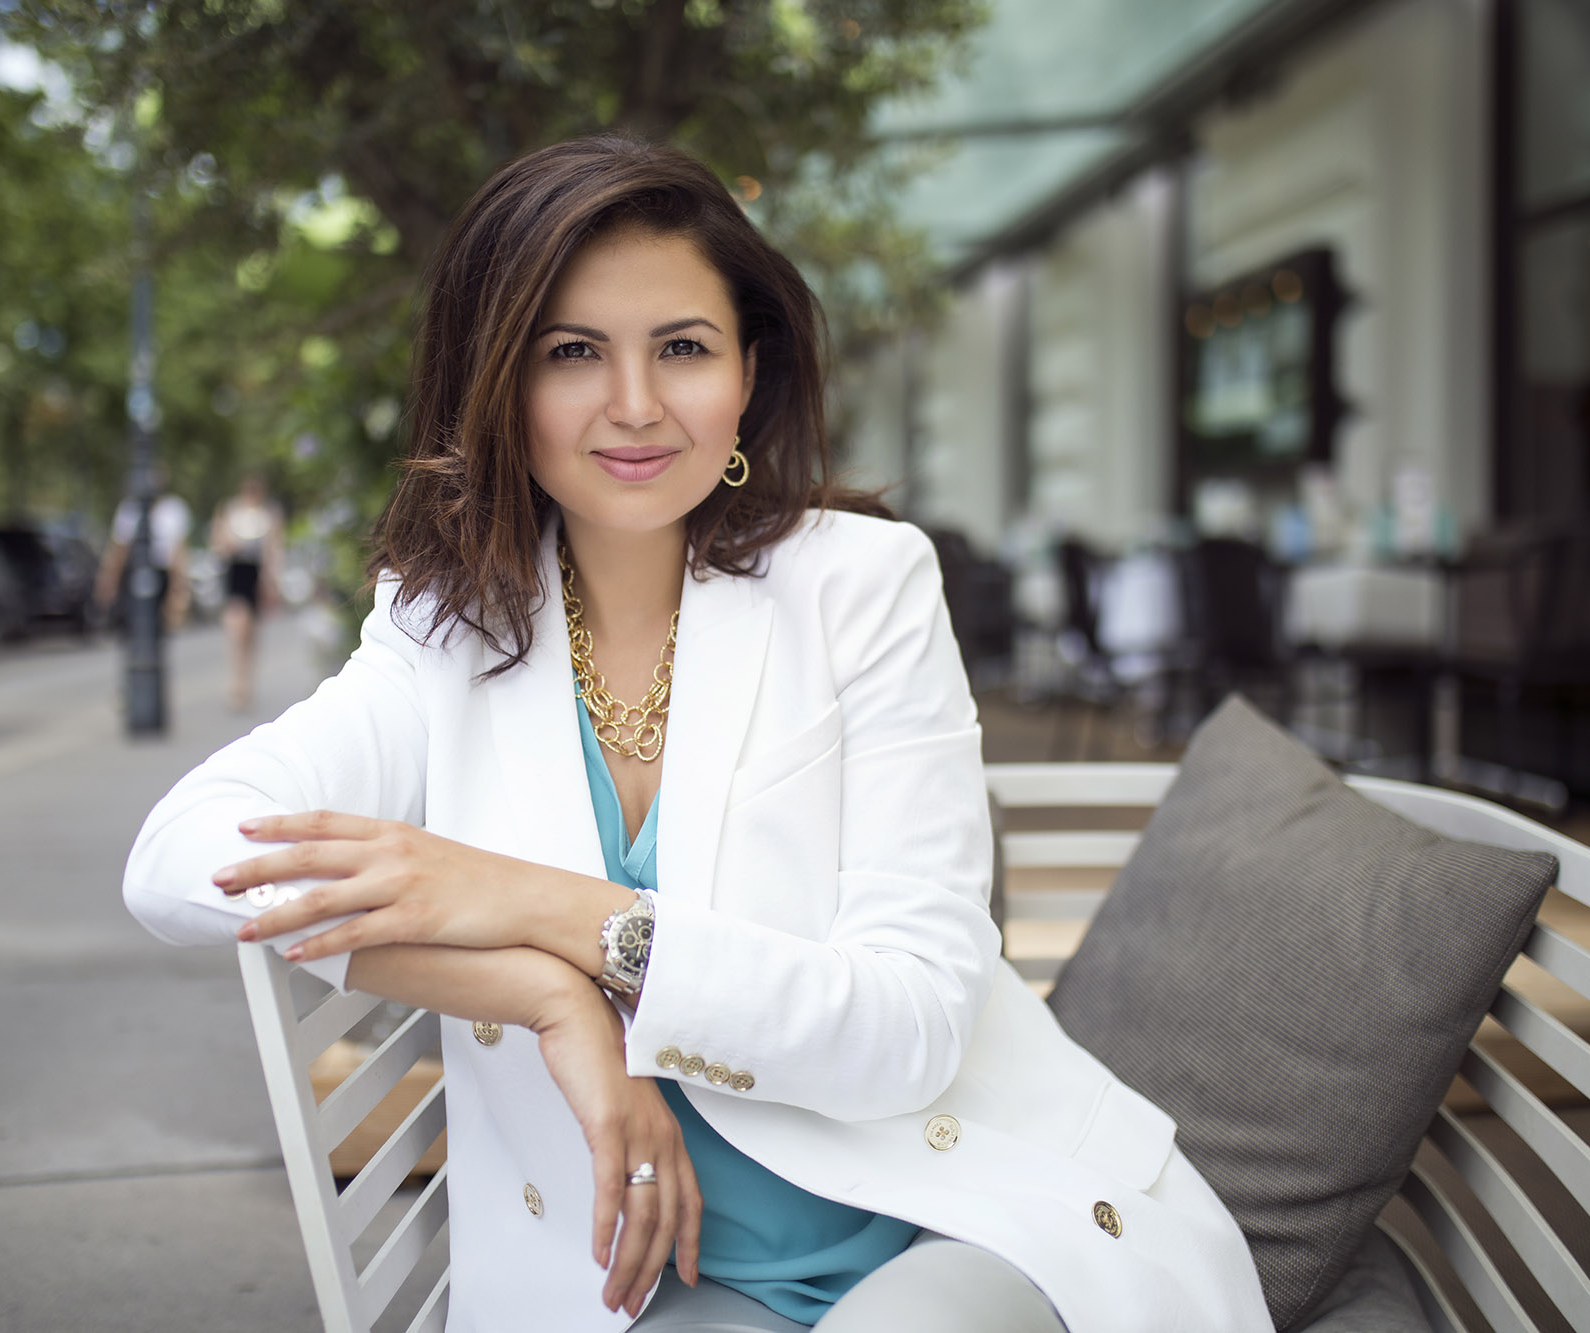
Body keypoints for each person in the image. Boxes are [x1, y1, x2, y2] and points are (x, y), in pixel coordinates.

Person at [122, 137, 1272, 1333]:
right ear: (499, 384)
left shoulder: (860, 586)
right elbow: (176, 860)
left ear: (745, 374)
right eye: (572, 352)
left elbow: (909, 1030)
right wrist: (547, 1001)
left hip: (945, 1219)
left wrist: (544, 911)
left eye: (681, 347)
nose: (633, 404)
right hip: (654, 1279)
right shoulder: (441, 629)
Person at [209, 473, 284, 710]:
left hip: (257, 575)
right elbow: (217, 544)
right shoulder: (229, 510)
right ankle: (236, 683)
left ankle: (245, 682)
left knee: (251, 632)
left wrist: (272, 581)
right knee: (237, 627)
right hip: (236, 572)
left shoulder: (270, 514)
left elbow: (274, 549)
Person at [96, 466, 192, 633]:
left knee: (158, 625)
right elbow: (118, 549)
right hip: (134, 571)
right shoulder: (129, 508)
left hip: (163, 572)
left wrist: (179, 587)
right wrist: (108, 581)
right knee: (131, 621)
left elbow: (179, 551)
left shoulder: (173, 509)